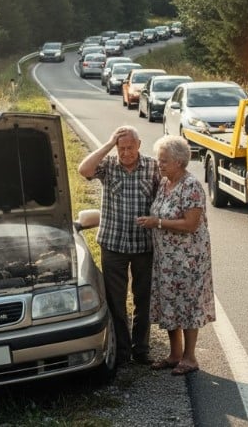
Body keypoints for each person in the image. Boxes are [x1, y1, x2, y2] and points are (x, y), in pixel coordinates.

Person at [78, 125, 160, 366]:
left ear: (139, 145)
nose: (125, 153)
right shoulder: (109, 166)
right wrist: (108, 144)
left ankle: (141, 349)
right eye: (121, 148)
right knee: (116, 299)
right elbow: (84, 169)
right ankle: (122, 351)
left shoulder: (153, 167)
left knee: (143, 298)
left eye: (130, 148)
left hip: (144, 245)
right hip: (113, 244)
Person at [136, 135, 215, 376]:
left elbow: (191, 224)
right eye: (159, 160)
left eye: (164, 161)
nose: (160, 165)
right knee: (170, 303)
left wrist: (157, 222)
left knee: (188, 305)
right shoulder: (164, 183)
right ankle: (175, 354)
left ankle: (190, 358)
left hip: (188, 259)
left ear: (180, 162)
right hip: (167, 259)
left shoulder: (190, 186)